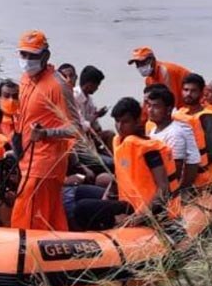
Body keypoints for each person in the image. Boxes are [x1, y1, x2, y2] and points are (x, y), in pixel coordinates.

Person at [73, 98, 181, 232]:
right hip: (128, 203)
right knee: (82, 198)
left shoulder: (149, 150)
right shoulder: (119, 142)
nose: (119, 126)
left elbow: (163, 188)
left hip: (147, 209)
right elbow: (118, 177)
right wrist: (106, 198)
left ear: (137, 122)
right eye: (117, 121)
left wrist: (139, 217)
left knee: (82, 207)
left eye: (125, 122)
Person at [11, 30, 77, 231]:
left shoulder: (58, 85)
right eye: (24, 55)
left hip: (46, 162)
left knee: (28, 210)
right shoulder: (25, 79)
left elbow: (75, 128)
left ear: (46, 56)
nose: (27, 60)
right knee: (45, 212)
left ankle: (26, 251)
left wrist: (47, 133)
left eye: (33, 56)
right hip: (26, 158)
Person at [145, 84, 200, 193]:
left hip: (170, 188)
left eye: (156, 107)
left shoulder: (175, 134)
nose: (150, 110)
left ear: (169, 109)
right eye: (149, 106)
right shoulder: (154, 130)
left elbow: (176, 172)